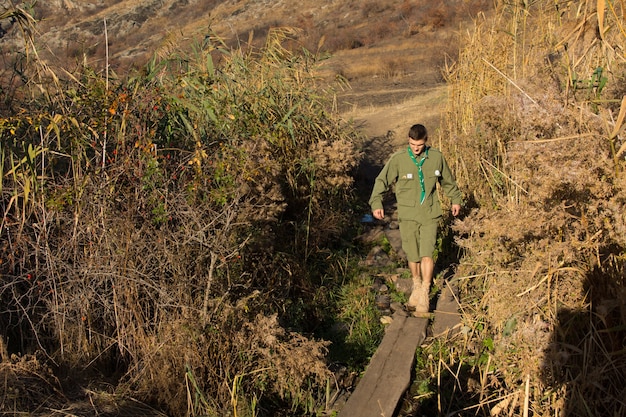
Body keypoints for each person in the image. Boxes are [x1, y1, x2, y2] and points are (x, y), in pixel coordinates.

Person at [369, 124, 462, 315]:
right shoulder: (399, 160)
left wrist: (456, 200)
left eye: (419, 145)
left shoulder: (436, 157)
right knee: (413, 254)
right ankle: (416, 285)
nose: (415, 148)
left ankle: (425, 293)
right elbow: (382, 181)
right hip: (408, 215)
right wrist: (376, 202)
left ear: (426, 141)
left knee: (427, 252)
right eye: (412, 144)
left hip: (429, 212)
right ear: (408, 141)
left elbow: (448, 181)